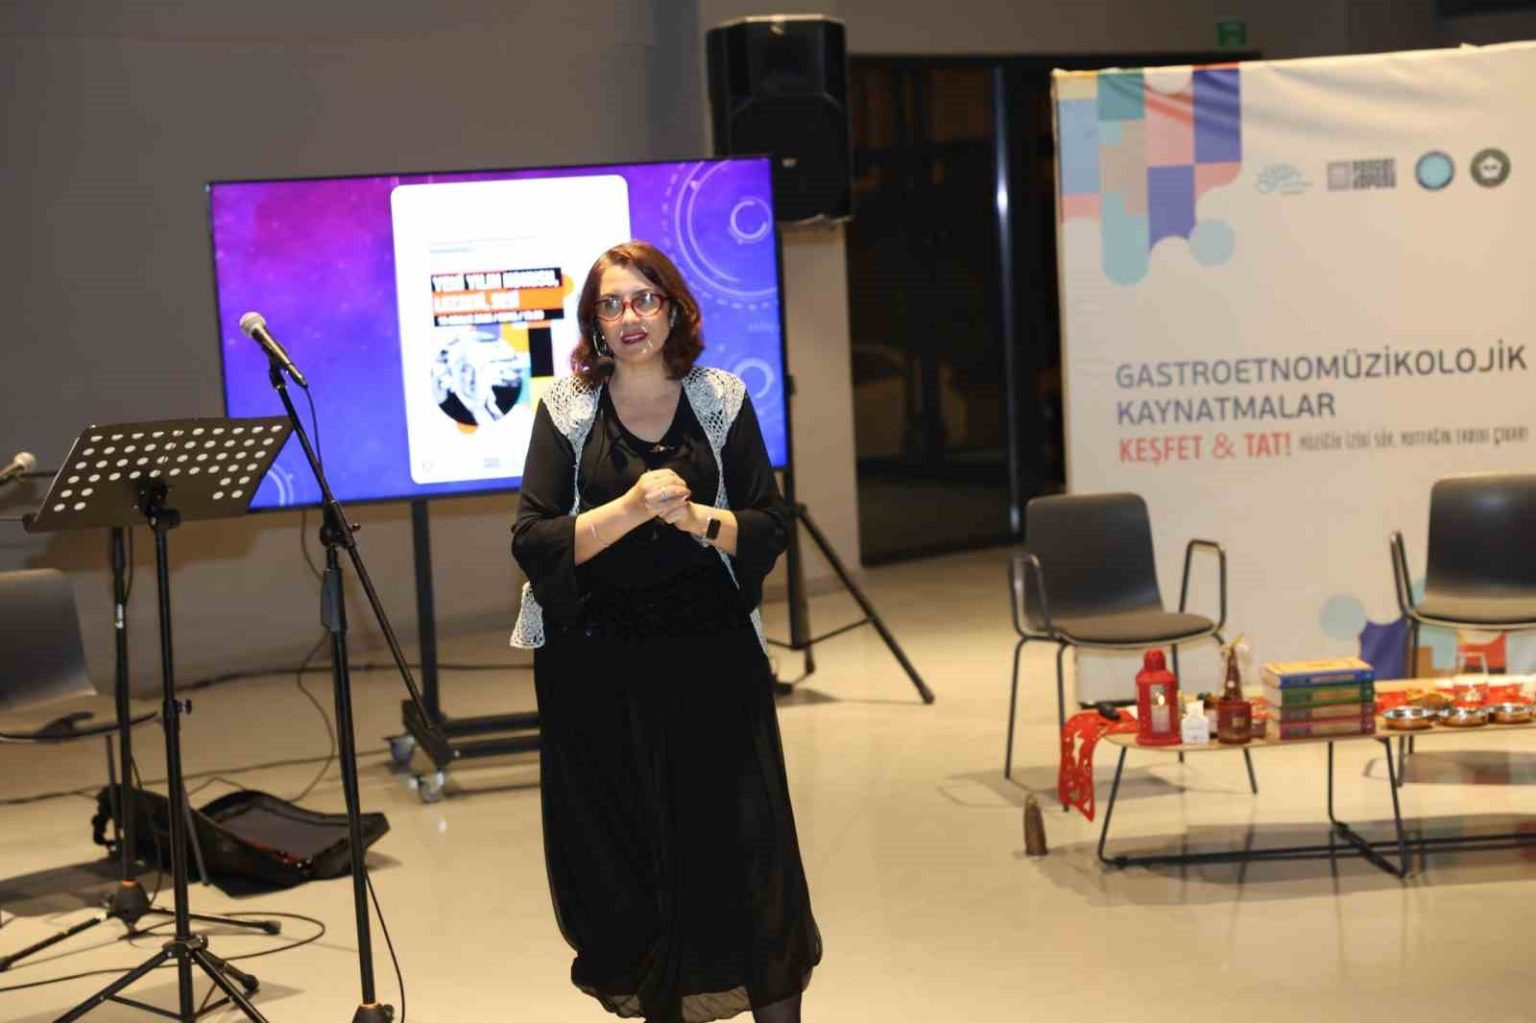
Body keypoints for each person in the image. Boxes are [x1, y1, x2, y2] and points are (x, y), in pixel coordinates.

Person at [511, 240, 821, 1023]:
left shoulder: (721, 398)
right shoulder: (566, 408)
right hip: (599, 673)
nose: (630, 317)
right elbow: (534, 538)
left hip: (713, 664)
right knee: (635, 870)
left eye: (645, 299)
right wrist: (629, 508)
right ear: (595, 323)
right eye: (611, 304)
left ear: (675, 309)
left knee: (748, 859)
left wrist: (698, 519)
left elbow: (768, 524)